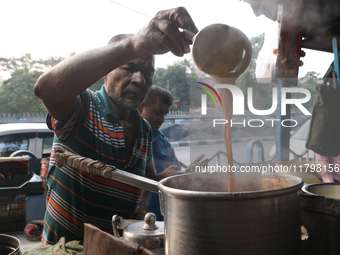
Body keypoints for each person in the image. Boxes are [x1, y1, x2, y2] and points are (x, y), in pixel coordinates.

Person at [33, 7, 198, 245]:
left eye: (148, 72)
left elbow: (143, 188)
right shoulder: (84, 107)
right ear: (105, 73)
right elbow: (45, 89)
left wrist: (143, 216)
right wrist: (132, 45)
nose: (140, 80)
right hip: (67, 249)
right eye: (129, 68)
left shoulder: (143, 129)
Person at [138, 85, 204, 220]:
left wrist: (187, 174)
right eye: (158, 113)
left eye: (165, 114)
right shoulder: (126, 138)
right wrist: (160, 177)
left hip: (164, 218)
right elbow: (122, 179)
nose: (162, 119)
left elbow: (176, 181)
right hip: (138, 219)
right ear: (141, 108)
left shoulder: (164, 144)